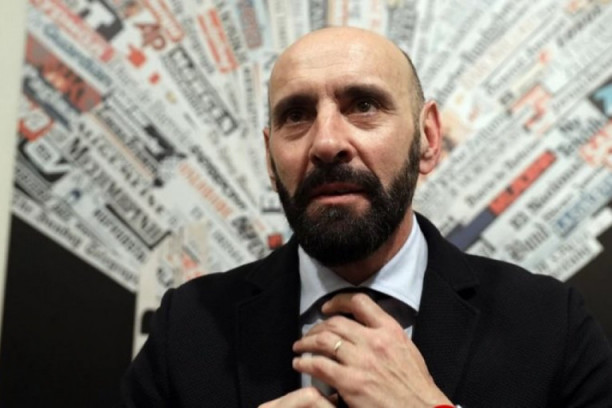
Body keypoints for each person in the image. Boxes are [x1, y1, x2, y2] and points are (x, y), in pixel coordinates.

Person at [121, 27, 612, 407]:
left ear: (428, 139)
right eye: (296, 115)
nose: (327, 142)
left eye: (364, 105)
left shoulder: (550, 325)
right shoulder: (187, 329)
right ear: (270, 159)